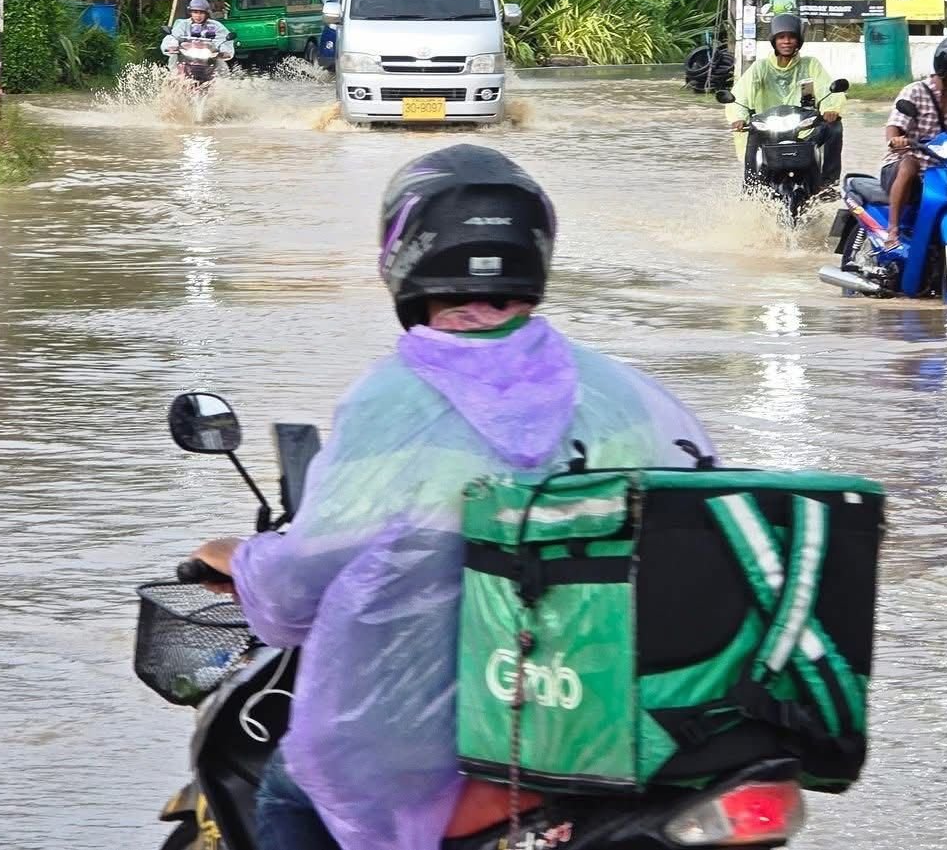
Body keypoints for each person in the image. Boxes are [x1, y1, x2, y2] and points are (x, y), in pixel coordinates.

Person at [185, 144, 716, 850]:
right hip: (605, 717)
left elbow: (292, 596)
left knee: (292, 780)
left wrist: (250, 562)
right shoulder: (630, 394)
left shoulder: (393, 398)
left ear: (404, 255)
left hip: (432, 742)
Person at [878, 34, 947, 250]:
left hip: (943, 172)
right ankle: (892, 230)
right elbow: (894, 124)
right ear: (946, 70)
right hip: (904, 166)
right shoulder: (915, 91)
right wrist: (896, 140)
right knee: (909, 164)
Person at [729, 13, 846, 187]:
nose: (786, 41)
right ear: (774, 41)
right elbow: (741, 94)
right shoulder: (761, 67)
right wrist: (739, 117)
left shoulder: (810, 64)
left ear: (798, 41)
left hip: (803, 127)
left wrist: (831, 109)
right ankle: (751, 188)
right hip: (767, 128)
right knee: (752, 134)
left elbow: (825, 87)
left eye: (791, 37)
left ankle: (828, 184)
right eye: (781, 37)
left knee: (834, 128)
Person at [163, 0, 235, 72]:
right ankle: (173, 78)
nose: (198, 16)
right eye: (195, 12)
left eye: (201, 13)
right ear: (190, 13)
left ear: (207, 13)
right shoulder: (183, 24)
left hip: (209, 56)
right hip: (186, 54)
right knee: (173, 58)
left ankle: (223, 81)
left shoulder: (215, 25)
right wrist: (171, 46)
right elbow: (173, 36)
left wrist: (224, 51)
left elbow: (223, 39)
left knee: (221, 64)